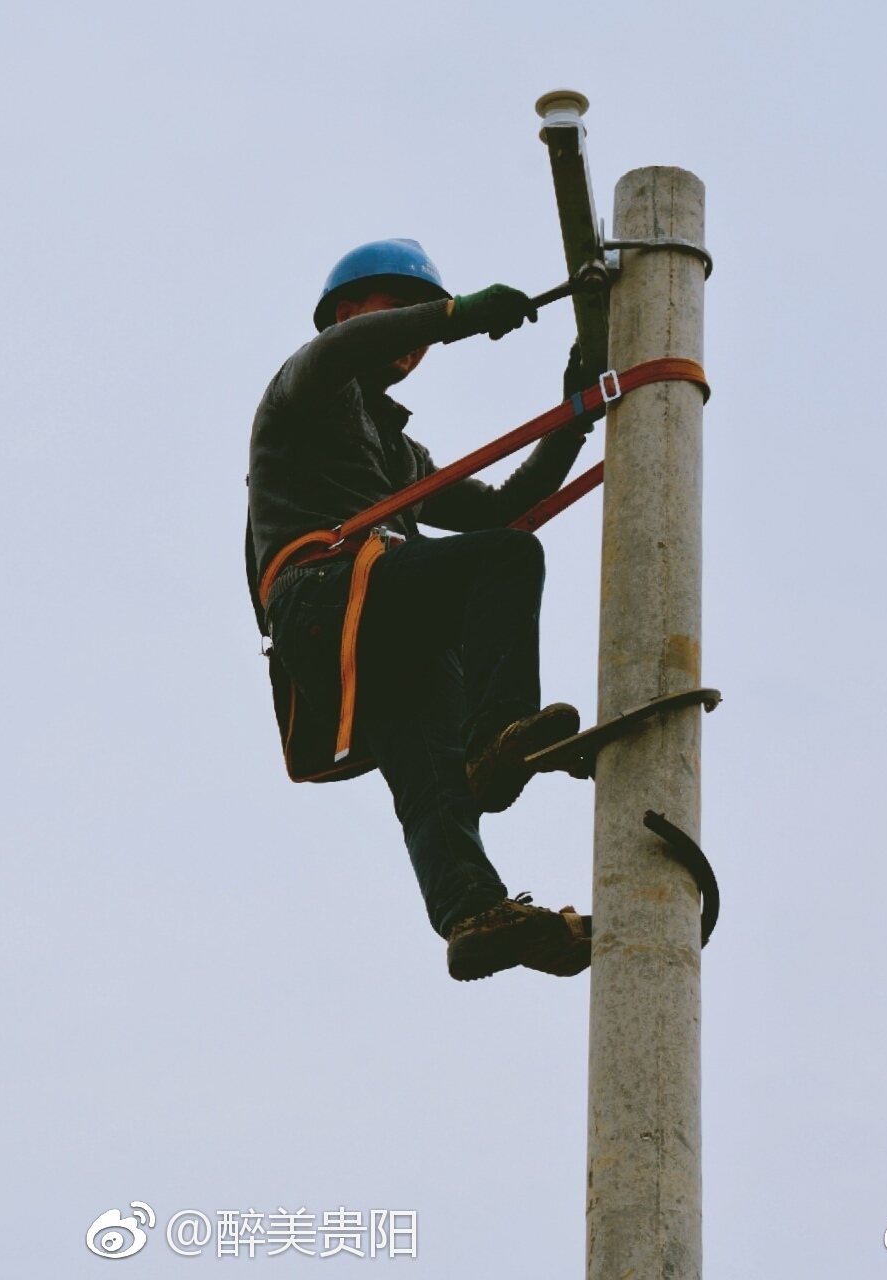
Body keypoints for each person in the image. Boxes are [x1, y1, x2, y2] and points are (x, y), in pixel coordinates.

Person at [245, 238, 598, 983]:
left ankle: (472, 914)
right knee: (504, 560)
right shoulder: (305, 385)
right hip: (324, 594)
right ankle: (499, 733)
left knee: (433, 779)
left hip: (373, 624)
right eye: (395, 310)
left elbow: (501, 507)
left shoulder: (401, 453)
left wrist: (574, 417)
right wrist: (452, 315)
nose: (413, 338)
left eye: (419, 320)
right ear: (346, 314)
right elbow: (349, 349)